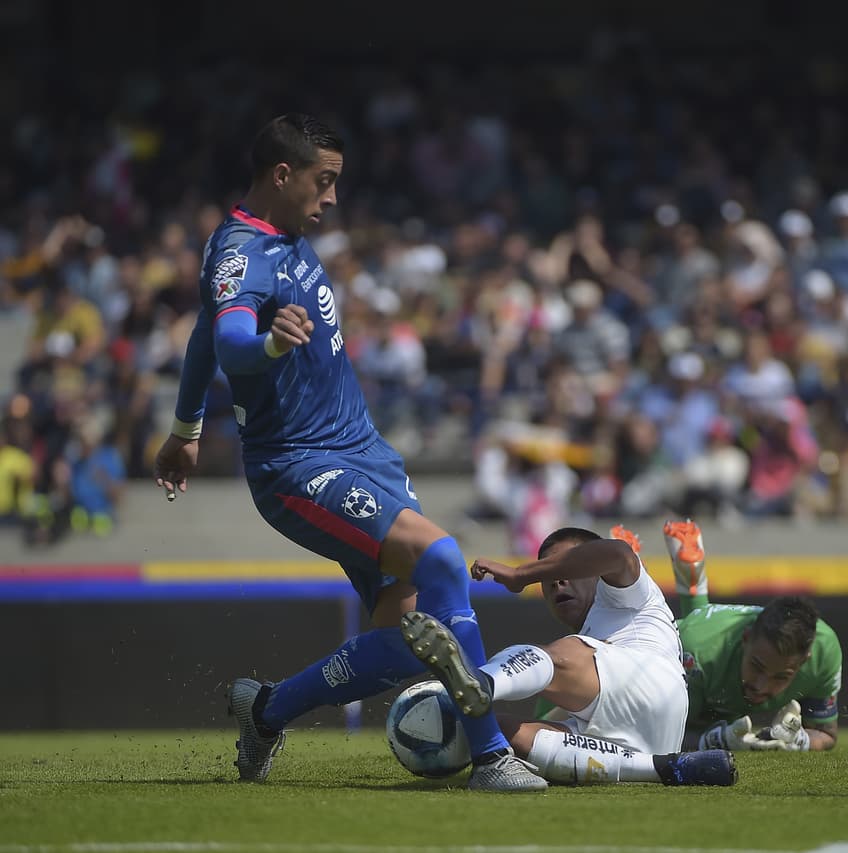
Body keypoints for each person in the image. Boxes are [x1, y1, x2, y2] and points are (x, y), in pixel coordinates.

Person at [152, 114, 544, 792]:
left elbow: (203, 335)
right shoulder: (243, 251)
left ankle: (267, 708)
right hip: (299, 467)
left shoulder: (288, 237)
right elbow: (233, 342)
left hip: (364, 452)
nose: (332, 197)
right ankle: (490, 758)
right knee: (444, 558)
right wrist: (269, 346)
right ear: (283, 174)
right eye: (323, 180)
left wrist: (185, 427)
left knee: (407, 639)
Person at [399, 526, 737, 786]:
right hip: (650, 741)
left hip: (652, 682)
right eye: (548, 582)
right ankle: (665, 769)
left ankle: (483, 680)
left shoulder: (627, 593)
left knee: (561, 652)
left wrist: (522, 574)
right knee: (498, 729)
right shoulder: (591, 640)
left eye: (565, 571)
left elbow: (618, 553)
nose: (557, 583)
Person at [662, 519, 843, 752]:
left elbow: (826, 733)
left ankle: (691, 569)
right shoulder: (696, 652)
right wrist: (709, 741)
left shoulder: (824, 652)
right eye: (757, 667)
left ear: (805, 659)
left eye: (781, 677)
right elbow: (653, 736)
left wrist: (800, 740)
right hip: (697, 637)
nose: (760, 685)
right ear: (745, 639)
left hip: (710, 641)